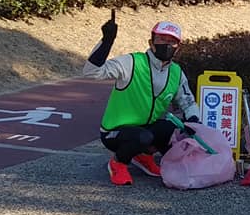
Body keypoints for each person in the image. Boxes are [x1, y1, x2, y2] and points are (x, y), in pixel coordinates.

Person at [83, 15, 201, 186]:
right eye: (161, 39)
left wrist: (194, 122)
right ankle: (117, 163)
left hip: (144, 128)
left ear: (178, 47)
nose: (166, 44)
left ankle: (143, 156)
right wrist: (106, 41)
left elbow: (187, 102)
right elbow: (91, 72)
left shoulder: (176, 72)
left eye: (172, 41)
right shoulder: (132, 62)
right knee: (142, 137)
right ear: (151, 42)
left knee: (174, 129)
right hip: (114, 131)